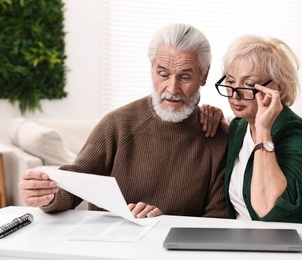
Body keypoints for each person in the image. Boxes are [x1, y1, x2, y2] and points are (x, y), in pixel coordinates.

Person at [19, 23, 228, 219]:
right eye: (163, 74)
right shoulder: (117, 125)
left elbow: (216, 222)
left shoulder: (217, 138)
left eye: (184, 77)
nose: (172, 89)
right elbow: (74, 186)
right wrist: (46, 194)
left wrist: (161, 224)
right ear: (152, 69)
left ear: (204, 75)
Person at [215, 35, 302, 226]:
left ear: (277, 88)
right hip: (257, 241)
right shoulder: (238, 127)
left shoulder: (299, 133)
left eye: (248, 84)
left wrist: (263, 129)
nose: (235, 95)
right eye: (230, 81)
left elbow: (268, 209)